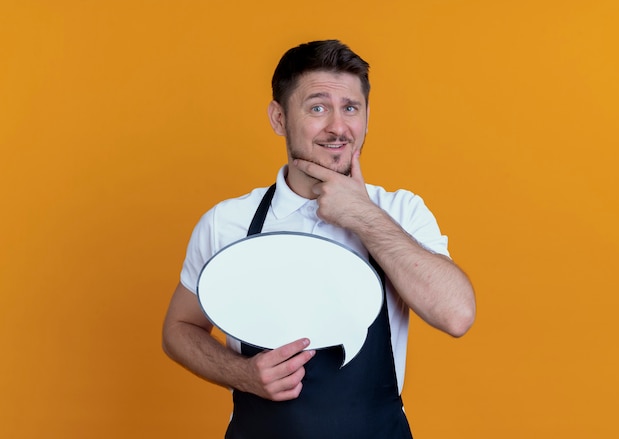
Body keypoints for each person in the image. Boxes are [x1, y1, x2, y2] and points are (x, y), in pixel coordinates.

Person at [162, 39, 476, 438]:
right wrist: (242, 374)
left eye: (350, 108)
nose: (338, 127)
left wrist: (363, 216)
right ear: (279, 118)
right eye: (317, 107)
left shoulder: (400, 212)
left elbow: (457, 314)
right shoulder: (228, 222)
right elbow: (179, 329)